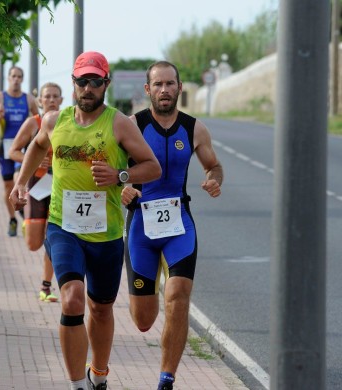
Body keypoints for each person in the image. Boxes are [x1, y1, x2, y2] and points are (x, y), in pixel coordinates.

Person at [9, 51, 161, 390]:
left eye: (95, 81)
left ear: (105, 83)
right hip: (63, 227)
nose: (88, 88)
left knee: (102, 309)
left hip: (105, 234)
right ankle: (78, 385)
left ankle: (100, 374)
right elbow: (35, 147)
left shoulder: (119, 123)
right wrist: (21, 182)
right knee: (73, 297)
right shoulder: (54, 121)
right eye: (82, 81)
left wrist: (120, 174)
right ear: (73, 84)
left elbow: (152, 167)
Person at [121, 61, 223, 390]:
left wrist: (213, 179)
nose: (165, 90)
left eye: (170, 84)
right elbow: (110, 171)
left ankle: (167, 378)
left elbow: (214, 165)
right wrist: (122, 187)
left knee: (178, 294)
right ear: (147, 90)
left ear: (180, 88)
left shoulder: (195, 129)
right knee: (143, 320)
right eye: (158, 84)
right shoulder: (132, 126)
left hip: (179, 223)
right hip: (141, 226)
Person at [8, 82, 64, 302]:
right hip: (36, 185)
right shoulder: (34, 123)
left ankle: (46, 286)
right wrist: (35, 162)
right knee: (33, 244)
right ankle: (27, 223)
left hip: (59, 187)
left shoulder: (68, 124)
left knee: (53, 235)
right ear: (39, 101)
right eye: (47, 96)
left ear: (61, 100)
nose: (51, 100)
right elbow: (13, 151)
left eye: (55, 96)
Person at [0, 66, 39, 236]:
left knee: (19, 180)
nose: (16, 79)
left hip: (22, 148)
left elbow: (39, 123)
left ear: (22, 79)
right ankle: (12, 219)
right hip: (5, 146)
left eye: (19, 76)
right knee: (8, 186)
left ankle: (25, 216)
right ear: (8, 78)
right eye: (13, 76)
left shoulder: (29, 99)